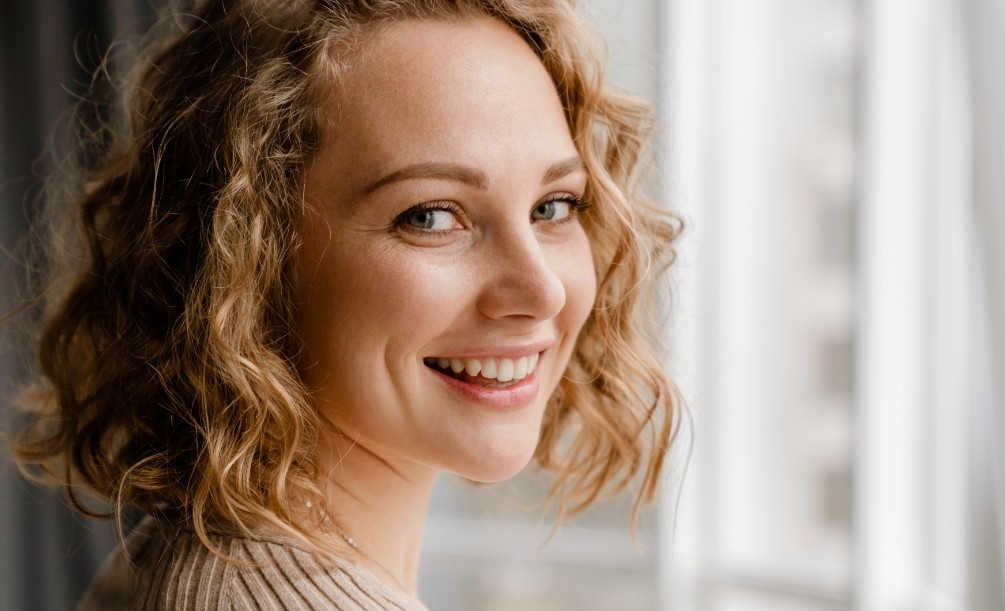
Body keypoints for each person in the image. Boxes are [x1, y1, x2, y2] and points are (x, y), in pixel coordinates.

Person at [9, 0, 682, 608]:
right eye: (429, 216)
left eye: (553, 206)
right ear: (245, 260)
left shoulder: (186, 554)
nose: (543, 290)